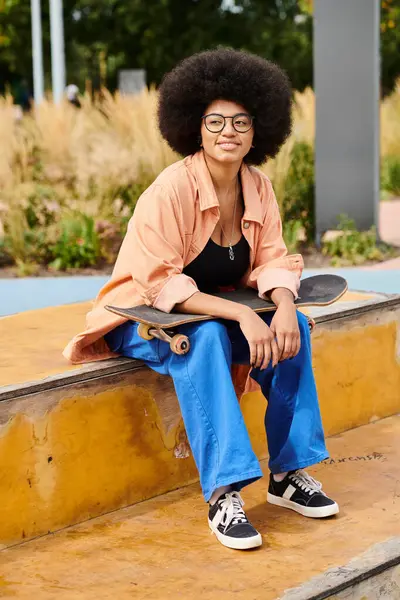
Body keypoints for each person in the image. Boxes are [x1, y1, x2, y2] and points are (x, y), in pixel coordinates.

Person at [63, 48, 338, 551]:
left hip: (213, 308)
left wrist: (279, 309)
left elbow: (273, 261)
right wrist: (239, 314)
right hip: (143, 317)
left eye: (240, 121)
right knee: (207, 336)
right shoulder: (168, 191)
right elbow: (159, 285)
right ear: (195, 127)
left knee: (294, 326)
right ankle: (223, 492)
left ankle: (288, 473)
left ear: (259, 131)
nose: (228, 131)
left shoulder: (258, 187)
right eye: (215, 121)